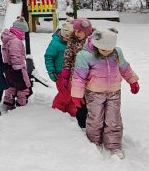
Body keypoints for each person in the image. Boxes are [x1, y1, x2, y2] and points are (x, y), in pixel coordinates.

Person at [71, 27, 139, 158]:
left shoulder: (117, 52)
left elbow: (124, 67)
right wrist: (77, 95)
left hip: (114, 91)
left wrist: (132, 81)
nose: (107, 53)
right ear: (96, 45)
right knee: (95, 118)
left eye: (109, 50)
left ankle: (113, 145)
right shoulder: (85, 55)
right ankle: (94, 142)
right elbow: (79, 77)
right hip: (94, 93)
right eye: (103, 50)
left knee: (113, 119)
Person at [56, 18, 93, 128]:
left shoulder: (94, 43)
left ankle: (94, 121)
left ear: (87, 31)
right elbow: (67, 59)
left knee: (92, 101)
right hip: (77, 78)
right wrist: (65, 77)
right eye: (75, 31)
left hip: (92, 78)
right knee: (80, 101)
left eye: (79, 31)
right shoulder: (72, 42)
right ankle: (82, 124)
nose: (76, 33)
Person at [0, 19, 31, 109]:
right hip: (16, 68)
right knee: (23, 87)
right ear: (20, 30)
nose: (24, 34)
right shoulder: (15, 41)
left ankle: (8, 101)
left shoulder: (9, 38)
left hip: (8, 67)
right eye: (24, 32)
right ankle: (21, 105)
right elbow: (15, 55)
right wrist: (18, 67)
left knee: (11, 86)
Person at [45, 20, 73, 110]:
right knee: (65, 93)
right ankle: (57, 108)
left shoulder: (70, 43)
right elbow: (48, 57)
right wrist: (51, 71)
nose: (68, 41)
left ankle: (71, 108)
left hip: (71, 72)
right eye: (67, 39)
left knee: (72, 92)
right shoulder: (55, 44)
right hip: (60, 73)